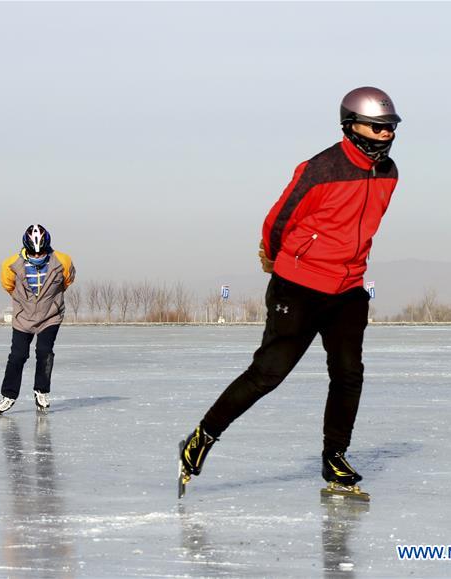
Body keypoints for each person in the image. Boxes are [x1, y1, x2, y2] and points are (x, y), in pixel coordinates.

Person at [180, 87, 401, 492]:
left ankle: (335, 457)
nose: (386, 135)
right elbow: (278, 221)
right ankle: (202, 437)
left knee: (349, 375)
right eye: (378, 127)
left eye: (390, 128)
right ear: (352, 126)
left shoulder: (389, 174)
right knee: (268, 374)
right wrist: (280, 260)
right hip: (299, 286)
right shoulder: (320, 169)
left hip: (349, 287)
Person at [0, 224, 75, 415]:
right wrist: (27, 303)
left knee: (45, 351)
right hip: (23, 316)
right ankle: (9, 396)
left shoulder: (63, 261)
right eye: (33, 253)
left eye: (41, 253)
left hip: (50, 316)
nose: (37, 256)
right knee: (17, 356)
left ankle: (42, 391)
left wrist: (50, 303)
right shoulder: (10, 264)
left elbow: (67, 281)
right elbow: (8, 286)